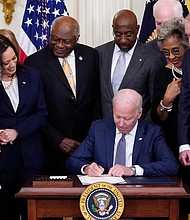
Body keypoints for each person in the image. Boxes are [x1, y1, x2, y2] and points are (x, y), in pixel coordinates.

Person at [24, 16, 101, 175]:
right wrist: (58, 139)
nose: (59, 45)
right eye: (55, 39)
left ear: (77, 39)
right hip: (50, 150)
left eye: (66, 41)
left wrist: (90, 139)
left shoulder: (91, 56)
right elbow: (32, 109)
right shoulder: (34, 63)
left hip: (86, 147)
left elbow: (96, 100)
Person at [66, 89, 178, 177]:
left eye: (127, 118)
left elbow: (171, 165)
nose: (120, 123)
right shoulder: (99, 129)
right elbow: (73, 161)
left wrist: (133, 170)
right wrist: (86, 168)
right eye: (117, 116)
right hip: (106, 194)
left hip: (138, 194)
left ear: (139, 113)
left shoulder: (152, 132)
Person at [0, 35, 47, 219]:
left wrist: (17, 131)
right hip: (4, 159)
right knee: (5, 209)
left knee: (30, 211)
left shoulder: (32, 75)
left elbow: (42, 113)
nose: (12, 64)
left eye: (14, 58)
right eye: (5, 63)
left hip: (30, 155)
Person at [95, 9, 165, 119]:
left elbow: (154, 102)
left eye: (128, 35)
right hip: (104, 129)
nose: (123, 40)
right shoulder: (99, 54)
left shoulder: (153, 59)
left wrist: (143, 130)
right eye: (118, 35)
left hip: (137, 130)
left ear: (137, 29)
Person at [151, 17, 189, 159]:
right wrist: (167, 100)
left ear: (187, 45)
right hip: (173, 146)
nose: (171, 56)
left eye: (176, 51)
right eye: (166, 52)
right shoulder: (162, 74)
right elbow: (157, 119)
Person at [146, 0, 183, 65]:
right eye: (159, 24)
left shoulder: (187, 46)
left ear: (180, 19)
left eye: (167, 23)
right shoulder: (147, 51)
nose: (163, 29)